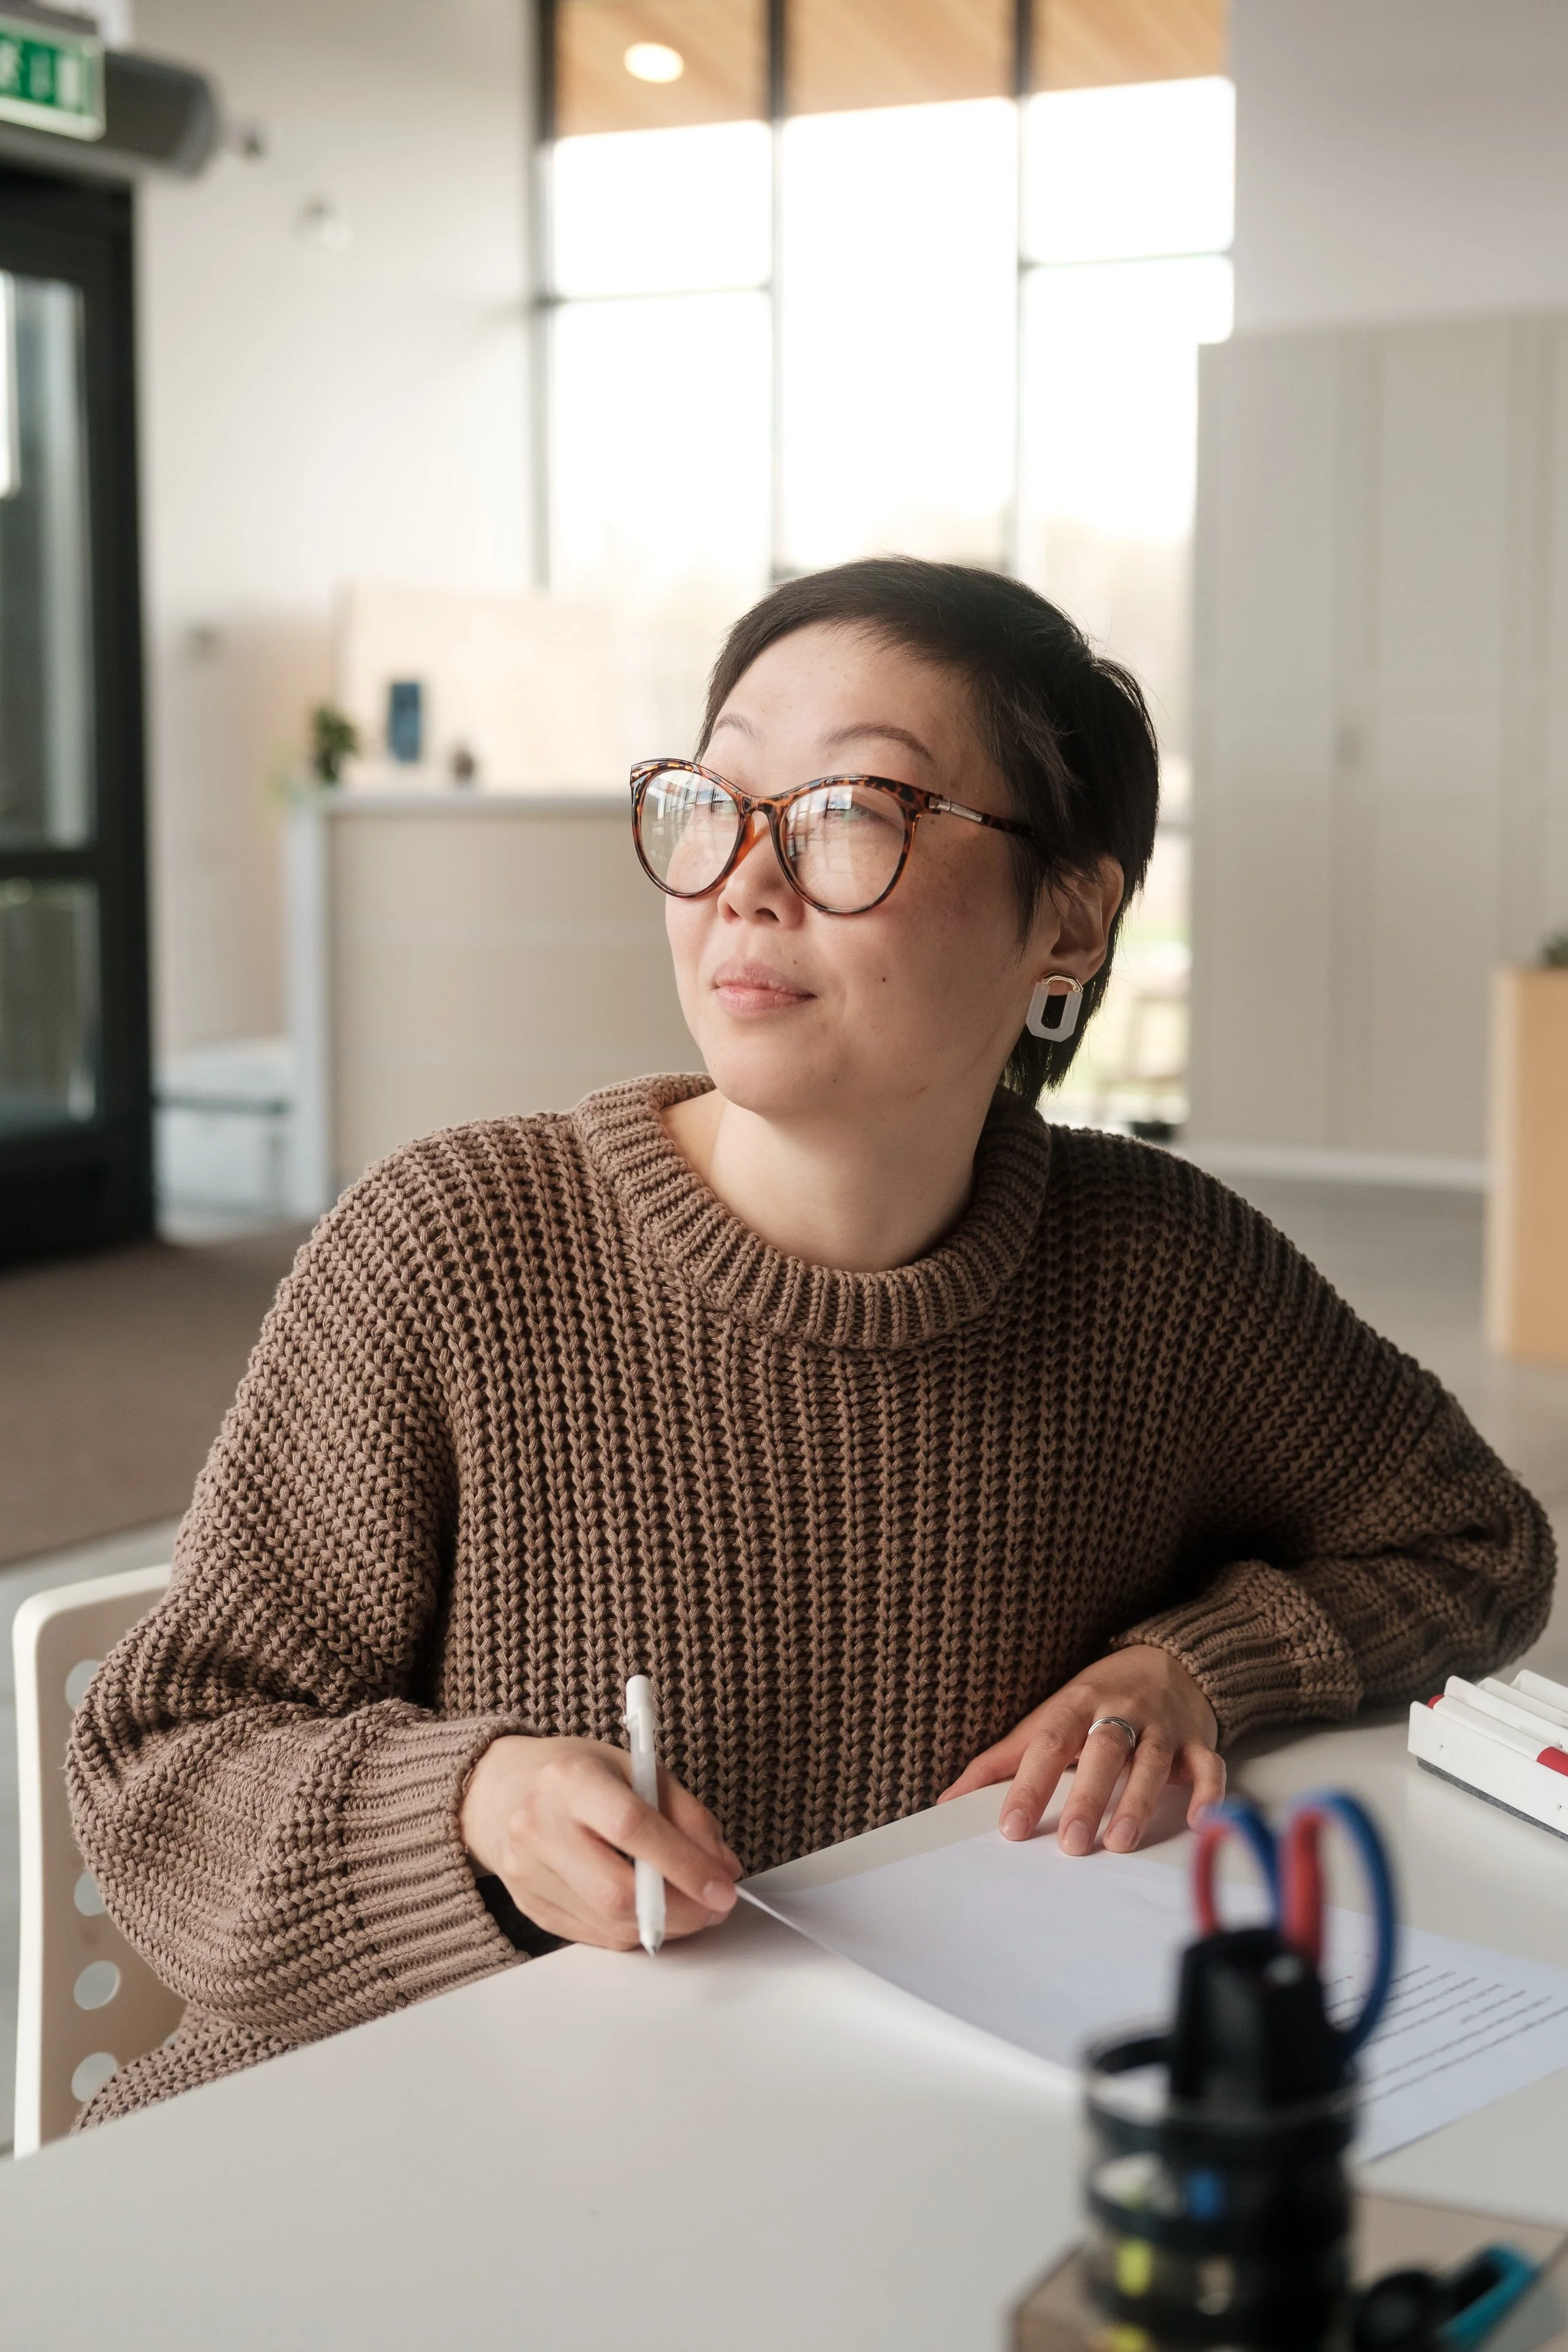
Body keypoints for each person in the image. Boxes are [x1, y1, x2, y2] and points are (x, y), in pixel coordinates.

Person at [68, 559, 1553, 2124]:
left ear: (1069, 914)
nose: (743, 879)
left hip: (871, 2156)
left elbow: (1474, 1546)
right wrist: (471, 1810)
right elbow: (161, 1770)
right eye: (714, 799)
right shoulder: (452, 1247)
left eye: (852, 810)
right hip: (400, 2150)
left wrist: (1194, 1674)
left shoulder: (1158, 1268)